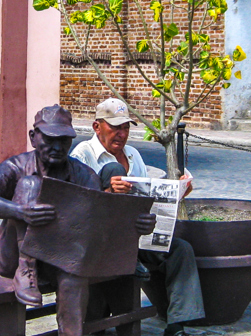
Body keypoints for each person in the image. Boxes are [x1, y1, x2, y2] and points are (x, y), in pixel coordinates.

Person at [0, 104, 156, 336]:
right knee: (30, 185)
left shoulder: (83, 174)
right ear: (33, 137)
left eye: (63, 140)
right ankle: (27, 266)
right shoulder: (16, 166)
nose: (56, 147)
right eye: (50, 139)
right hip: (12, 258)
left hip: (57, 257)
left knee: (73, 276)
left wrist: (136, 226)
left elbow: (101, 220)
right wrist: (19, 211)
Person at [70, 98, 205, 336]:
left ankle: (176, 325)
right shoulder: (83, 154)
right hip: (101, 238)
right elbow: (78, 206)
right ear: (96, 127)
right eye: (115, 127)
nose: (121, 134)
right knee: (112, 171)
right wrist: (108, 192)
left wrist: (179, 192)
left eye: (126, 127)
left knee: (181, 249)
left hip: (137, 234)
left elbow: (150, 195)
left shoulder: (132, 154)